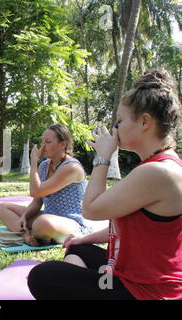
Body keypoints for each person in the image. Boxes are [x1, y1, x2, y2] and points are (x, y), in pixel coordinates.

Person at [28, 69, 182, 300]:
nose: (115, 129)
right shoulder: (157, 166)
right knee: (79, 248)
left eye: (119, 121)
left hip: (146, 293)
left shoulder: (157, 172)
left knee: (43, 275)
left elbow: (90, 209)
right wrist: (83, 239)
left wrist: (103, 157)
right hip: (123, 275)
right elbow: (124, 228)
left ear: (144, 122)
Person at [0, 124, 91, 246]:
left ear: (63, 144)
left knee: (42, 223)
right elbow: (37, 201)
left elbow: (35, 191)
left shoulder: (71, 168)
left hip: (71, 223)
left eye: (48, 142)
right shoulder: (45, 165)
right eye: (42, 141)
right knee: (3, 208)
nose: (43, 146)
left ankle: (33, 232)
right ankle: (26, 235)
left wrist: (33, 162)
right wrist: (24, 217)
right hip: (47, 215)